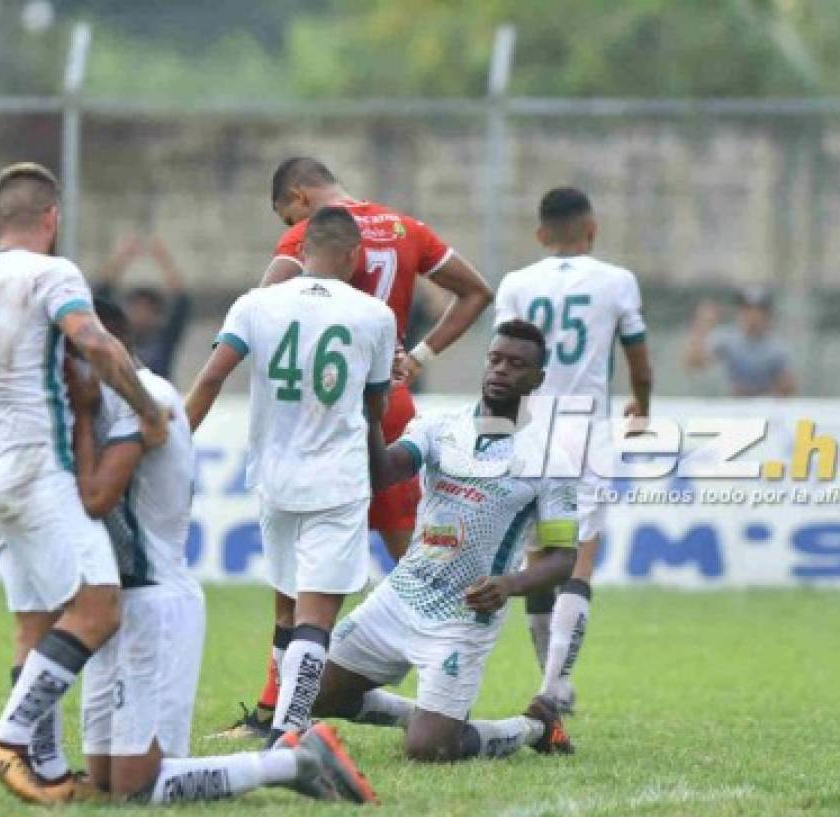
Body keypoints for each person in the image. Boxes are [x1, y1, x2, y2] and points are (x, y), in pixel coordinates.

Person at [219, 156, 494, 740]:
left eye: (283, 213)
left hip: (323, 417)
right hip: (387, 407)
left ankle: (274, 713)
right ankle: (448, 690)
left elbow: (264, 308)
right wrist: (416, 357)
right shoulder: (405, 229)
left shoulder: (309, 233)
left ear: (297, 199)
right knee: (417, 561)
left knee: (295, 578)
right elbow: (476, 293)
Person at [69, 300, 375, 806]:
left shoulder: (147, 401)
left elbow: (96, 499)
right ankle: (294, 759)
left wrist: (78, 417)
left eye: (68, 359)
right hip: (115, 607)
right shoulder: (111, 403)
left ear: (104, 350)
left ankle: (295, 760)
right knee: (105, 781)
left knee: (136, 789)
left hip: (154, 610)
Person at [0, 162, 168, 806]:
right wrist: (147, 408)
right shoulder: (53, 273)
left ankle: (47, 775)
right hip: (35, 467)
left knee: (37, 624)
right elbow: (95, 341)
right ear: (51, 219)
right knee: (98, 609)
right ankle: (9, 734)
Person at [311, 320, 576, 761]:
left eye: (516, 364)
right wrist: (372, 416)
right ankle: (422, 714)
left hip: (464, 615)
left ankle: (534, 727)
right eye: (494, 359)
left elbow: (564, 558)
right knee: (314, 696)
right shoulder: (438, 427)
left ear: (538, 379)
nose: (500, 370)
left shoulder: (550, 459)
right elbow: (384, 473)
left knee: (430, 751)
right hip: (401, 595)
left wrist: (509, 585)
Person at [185, 206, 396, 749]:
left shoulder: (255, 304)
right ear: (354, 256)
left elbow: (210, 378)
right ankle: (289, 732)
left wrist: (173, 445)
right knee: (316, 615)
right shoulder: (374, 314)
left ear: (302, 253)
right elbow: (376, 405)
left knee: (285, 608)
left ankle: (276, 716)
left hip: (273, 479)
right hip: (338, 480)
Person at [493, 187, 653, 715]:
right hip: (585, 428)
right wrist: (641, 405)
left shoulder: (516, 283)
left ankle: (551, 683)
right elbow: (639, 362)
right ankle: (554, 686)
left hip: (531, 427)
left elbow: (502, 364)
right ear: (593, 229)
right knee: (580, 559)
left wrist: (495, 428)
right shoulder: (616, 281)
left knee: (541, 556)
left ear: (541, 235)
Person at [92, 234, 191, 379]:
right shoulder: (117, 339)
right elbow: (100, 296)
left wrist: (164, 260)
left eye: (147, 309)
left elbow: (183, 302)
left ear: (156, 316)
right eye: (136, 308)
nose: (141, 315)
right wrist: (122, 258)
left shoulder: (164, 341)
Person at [683, 287, 796, 397]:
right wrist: (702, 327)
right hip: (732, 407)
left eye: (759, 310)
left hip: (765, 407)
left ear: (768, 315)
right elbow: (694, 363)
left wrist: (757, 392)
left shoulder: (777, 346)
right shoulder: (727, 338)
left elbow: (788, 390)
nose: (753, 316)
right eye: (747, 309)